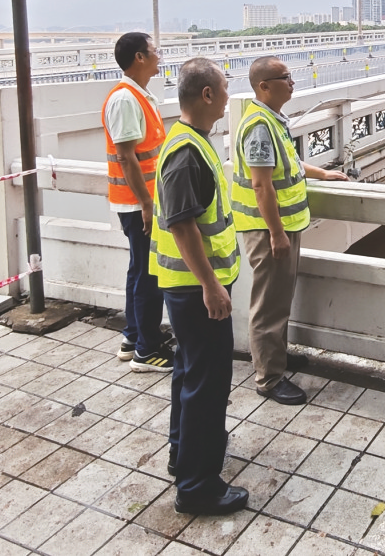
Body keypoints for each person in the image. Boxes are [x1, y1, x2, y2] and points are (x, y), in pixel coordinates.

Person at [150, 57, 248, 516]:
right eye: (225, 87)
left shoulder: (194, 141)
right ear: (207, 95)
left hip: (186, 288)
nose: (229, 95)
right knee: (208, 385)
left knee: (190, 375)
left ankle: (181, 455)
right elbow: (183, 225)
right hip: (195, 291)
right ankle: (198, 487)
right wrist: (212, 286)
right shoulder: (187, 151)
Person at [231, 56, 347, 405]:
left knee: (280, 300)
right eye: (285, 77)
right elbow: (261, 185)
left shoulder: (272, 120)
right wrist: (276, 233)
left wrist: (323, 174)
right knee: (269, 305)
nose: (292, 82)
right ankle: (268, 378)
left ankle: (276, 359)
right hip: (268, 231)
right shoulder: (259, 127)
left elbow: (289, 165)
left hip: (282, 227)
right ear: (264, 86)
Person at [101, 32, 175, 373]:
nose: (159, 56)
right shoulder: (126, 100)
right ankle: (148, 351)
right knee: (149, 277)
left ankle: (133, 338)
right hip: (138, 204)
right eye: (154, 51)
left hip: (141, 201)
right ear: (139, 58)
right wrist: (147, 204)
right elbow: (127, 158)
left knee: (139, 272)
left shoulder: (140, 96)